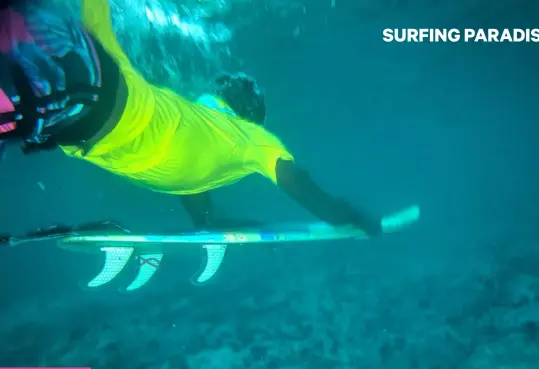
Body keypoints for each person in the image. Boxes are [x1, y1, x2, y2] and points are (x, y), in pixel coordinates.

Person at [0, 0, 382, 235]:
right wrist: (345, 216)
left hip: (90, 89)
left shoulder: (213, 123)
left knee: (22, 25)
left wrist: (209, 222)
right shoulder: (249, 139)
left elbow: (192, 184)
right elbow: (293, 182)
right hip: (57, 123)